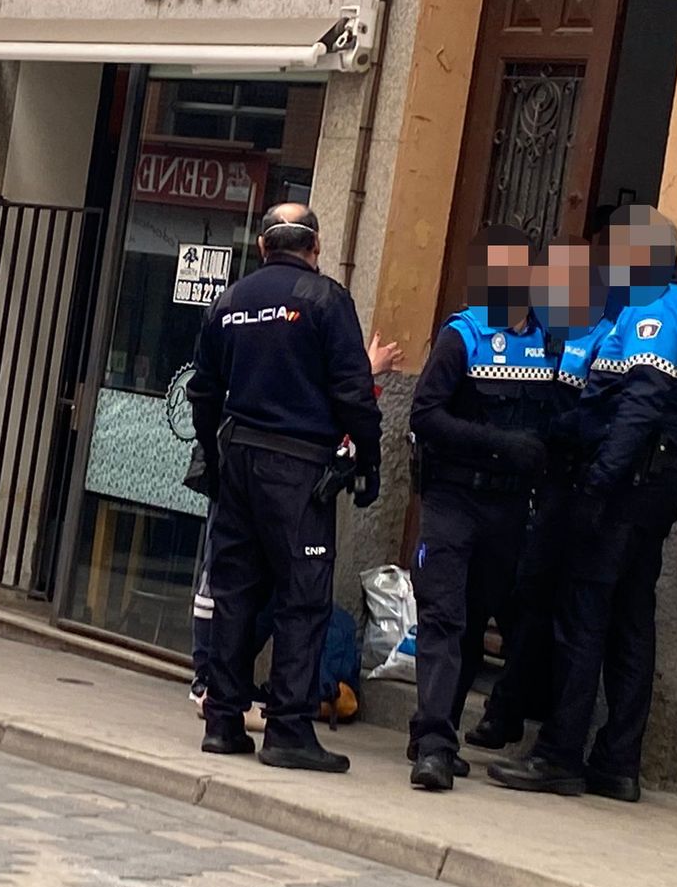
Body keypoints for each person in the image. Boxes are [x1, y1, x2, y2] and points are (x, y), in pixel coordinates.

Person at [491, 206, 677, 801]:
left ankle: (560, 755)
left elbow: (638, 408)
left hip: (627, 486)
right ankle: (617, 762)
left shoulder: (655, 310)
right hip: (652, 485)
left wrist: (597, 485)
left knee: (583, 619)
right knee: (630, 621)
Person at [187, 204, 382, 772]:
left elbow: (203, 391)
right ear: (315, 246)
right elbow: (352, 391)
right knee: (302, 597)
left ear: (262, 246)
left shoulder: (229, 302)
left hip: (240, 461)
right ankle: (289, 730)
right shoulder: (325, 299)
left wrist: (217, 453)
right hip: (298, 470)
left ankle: (223, 721)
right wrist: (367, 460)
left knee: (236, 592)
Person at [405, 227, 555, 791]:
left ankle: (429, 730)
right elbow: (424, 414)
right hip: (453, 499)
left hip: (509, 509)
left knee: (474, 619)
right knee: (444, 616)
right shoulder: (462, 336)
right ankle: (437, 749)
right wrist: (497, 445)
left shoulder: (547, 341)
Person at [187, 333, 402, 719]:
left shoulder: (262, 317)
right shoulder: (284, 331)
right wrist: (366, 374)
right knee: (237, 583)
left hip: (249, 468)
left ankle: (218, 685)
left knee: (252, 582)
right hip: (266, 472)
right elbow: (313, 403)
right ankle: (211, 682)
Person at [465, 237, 616, 749]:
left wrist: (550, 436)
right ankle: (508, 708)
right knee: (519, 596)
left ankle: (512, 711)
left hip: (568, 485)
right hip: (529, 486)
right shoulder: (543, 332)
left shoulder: (603, 336)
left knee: (541, 602)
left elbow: (594, 415)